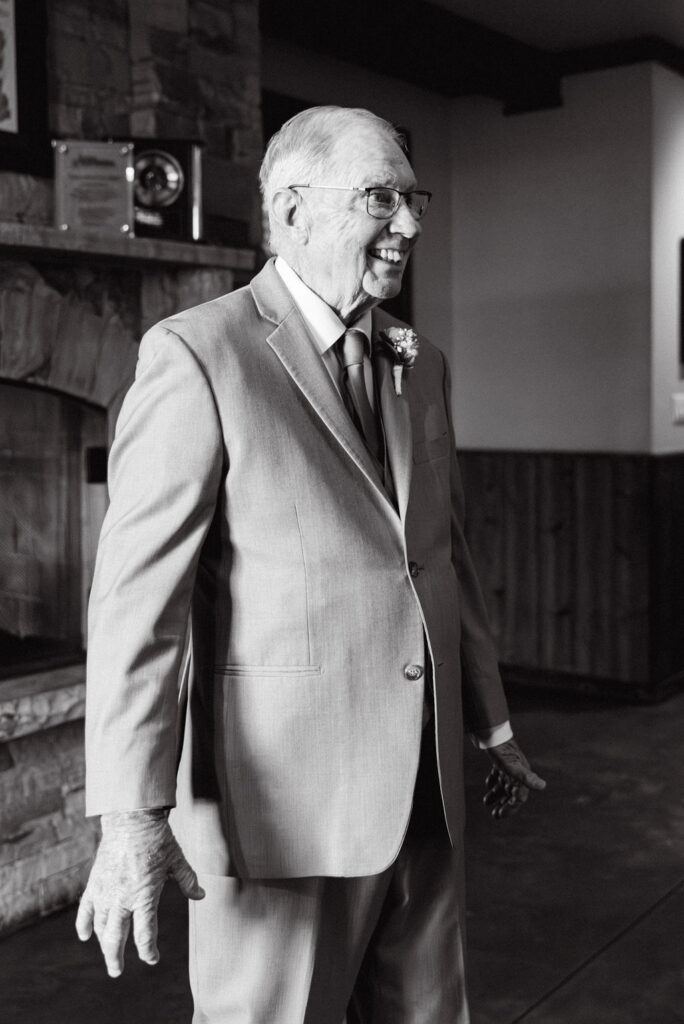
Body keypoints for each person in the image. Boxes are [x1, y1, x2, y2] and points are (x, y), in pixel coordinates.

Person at [76, 105, 546, 1023]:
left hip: (427, 800)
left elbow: (443, 558)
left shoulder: (425, 362)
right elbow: (140, 606)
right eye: (381, 196)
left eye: (415, 198)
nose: (409, 222)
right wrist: (130, 813)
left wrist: (489, 725)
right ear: (292, 208)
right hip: (281, 812)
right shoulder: (196, 355)